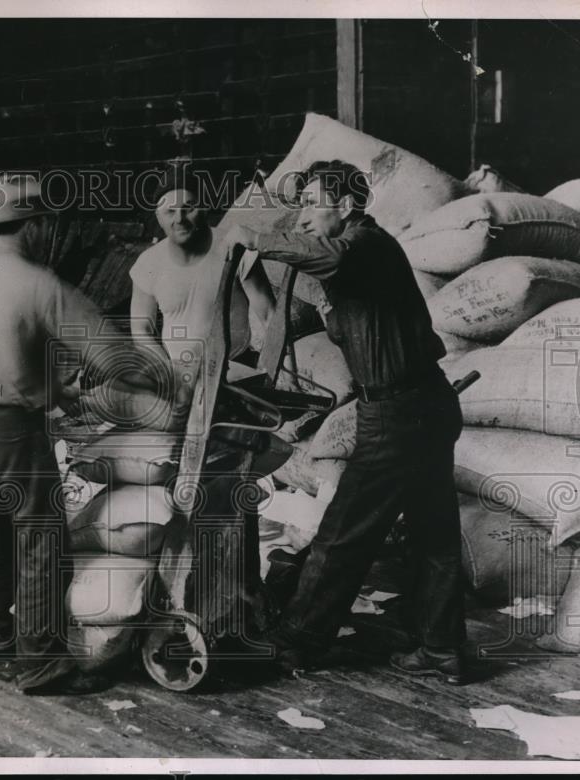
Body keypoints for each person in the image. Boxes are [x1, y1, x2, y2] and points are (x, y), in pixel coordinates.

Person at [224, 159, 469, 685]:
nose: (305, 216)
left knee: (343, 533)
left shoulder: (365, 245)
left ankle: (296, 644)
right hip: (421, 405)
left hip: (400, 412)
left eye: (314, 203)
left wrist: (253, 234)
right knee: (433, 535)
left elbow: (325, 255)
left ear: (348, 206)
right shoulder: (354, 259)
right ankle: (443, 648)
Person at [0, 174, 129, 695]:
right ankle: (44, 662)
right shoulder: (37, 283)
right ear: (36, 226)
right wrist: (164, 379)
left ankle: (2, 635)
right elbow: (111, 355)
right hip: (17, 435)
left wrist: (54, 388)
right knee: (42, 541)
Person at [129, 172, 277, 394]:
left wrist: (274, 372)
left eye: (189, 208)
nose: (179, 219)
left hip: (233, 368)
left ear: (205, 209)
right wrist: (167, 373)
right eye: (169, 211)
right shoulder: (148, 263)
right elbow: (141, 330)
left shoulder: (234, 249)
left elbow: (269, 317)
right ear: (158, 217)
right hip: (175, 370)